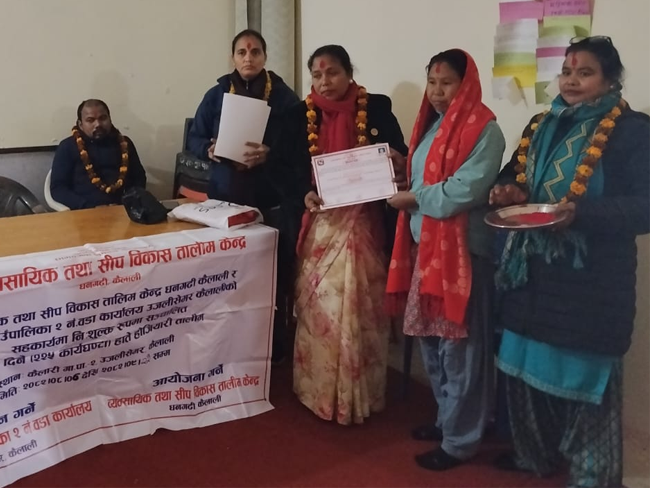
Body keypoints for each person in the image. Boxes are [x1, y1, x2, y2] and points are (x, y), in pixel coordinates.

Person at [489, 36, 648, 488]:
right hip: (530, 274)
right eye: (566, 72)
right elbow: (515, 175)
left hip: (591, 282)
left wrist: (581, 214)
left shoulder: (632, 131)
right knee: (524, 374)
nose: (572, 81)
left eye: (585, 73)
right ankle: (534, 455)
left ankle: (593, 477)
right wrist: (509, 191)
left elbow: (644, 207)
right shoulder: (541, 123)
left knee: (587, 382)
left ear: (610, 80)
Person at [272, 44, 407, 425]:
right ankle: (318, 391)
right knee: (323, 308)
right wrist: (303, 192)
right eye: (316, 75)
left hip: (365, 223)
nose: (324, 81)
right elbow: (278, 168)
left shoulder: (376, 108)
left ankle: (364, 393)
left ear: (349, 73)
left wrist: (398, 163)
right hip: (320, 225)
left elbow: (398, 153)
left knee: (364, 307)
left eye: (332, 73)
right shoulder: (296, 116)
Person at [385, 50, 505, 470]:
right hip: (427, 252)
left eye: (447, 83)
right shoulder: (432, 126)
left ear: (466, 84)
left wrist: (414, 198)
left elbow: (463, 191)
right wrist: (403, 171)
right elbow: (427, 179)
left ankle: (460, 441)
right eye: (432, 82)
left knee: (461, 350)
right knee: (433, 344)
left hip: (462, 256)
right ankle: (446, 420)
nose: (437, 92)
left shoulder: (485, 130)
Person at [187, 29, 300, 364]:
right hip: (226, 196)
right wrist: (208, 149)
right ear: (233, 57)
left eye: (255, 52)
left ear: (265, 56)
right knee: (227, 274)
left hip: (270, 197)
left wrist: (271, 153)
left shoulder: (284, 97)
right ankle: (226, 341)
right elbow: (195, 137)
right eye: (241, 52)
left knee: (273, 273)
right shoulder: (216, 94)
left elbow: (299, 143)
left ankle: (274, 342)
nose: (248, 58)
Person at [50, 99, 146, 210]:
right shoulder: (67, 146)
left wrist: (129, 202)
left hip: (123, 209)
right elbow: (58, 188)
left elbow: (139, 178)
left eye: (103, 118)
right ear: (80, 124)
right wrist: (88, 206)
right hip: (84, 211)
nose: (98, 124)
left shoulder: (124, 143)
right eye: (90, 120)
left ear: (110, 119)